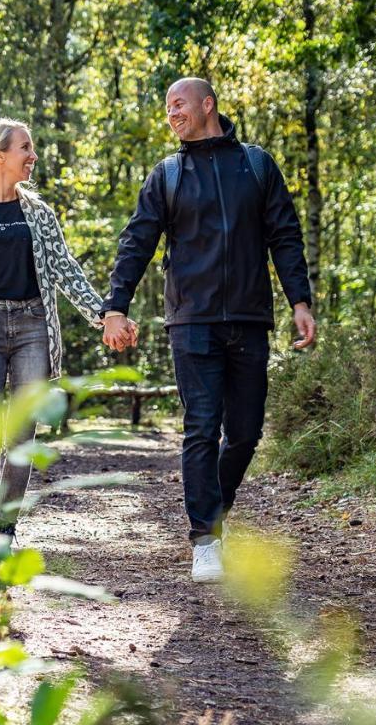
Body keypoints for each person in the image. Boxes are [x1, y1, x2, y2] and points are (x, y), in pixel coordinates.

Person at [100, 78, 316, 583]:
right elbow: (137, 243)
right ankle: (205, 538)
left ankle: (214, 513)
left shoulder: (257, 166)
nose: (171, 112)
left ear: (207, 105)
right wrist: (115, 307)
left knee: (244, 432)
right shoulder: (168, 175)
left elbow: (284, 235)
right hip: (191, 321)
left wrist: (299, 301)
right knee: (201, 426)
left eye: (179, 104)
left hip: (249, 317)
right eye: (167, 106)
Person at [0, 118, 132, 546]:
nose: (32, 156)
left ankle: (5, 529)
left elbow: (65, 270)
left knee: (20, 436)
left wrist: (106, 314)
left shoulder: (38, 213)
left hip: (33, 327)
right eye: (25, 148)